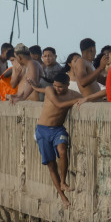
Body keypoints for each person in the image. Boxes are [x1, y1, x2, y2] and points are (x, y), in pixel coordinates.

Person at [26, 72, 82, 206]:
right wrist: (74, 102)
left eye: (61, 87)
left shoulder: (73, 94)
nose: (57, 89)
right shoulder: (51, 90)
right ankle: (63, 197)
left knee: (63, 151)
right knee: (51, 165)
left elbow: (87, 99)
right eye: (55, 86)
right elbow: (58, 105)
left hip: (58, 129)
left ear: (68, 85)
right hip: (43, 130)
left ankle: (63, 182)